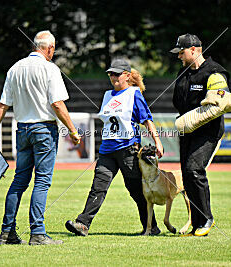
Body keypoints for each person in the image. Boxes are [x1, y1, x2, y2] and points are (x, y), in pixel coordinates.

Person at [0, 30, 80, 245]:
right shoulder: (50, 69)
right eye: (53, 49)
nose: (53, 52)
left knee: (19, 181)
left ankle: (7, 233)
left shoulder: (14, 68)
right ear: (48, 49)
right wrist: (73, 131)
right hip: (44, 131)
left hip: (22, 130)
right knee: (42, 181)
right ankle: (38, 233)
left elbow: (3, 104)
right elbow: (57, 104)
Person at [65, 59, 163, 236]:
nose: (113, 77)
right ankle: (83, 224)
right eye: (111, 73)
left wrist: (158, 142)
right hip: (107, 150)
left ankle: (151, 227)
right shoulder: (107, 95)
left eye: (117, 73)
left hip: (128, 150)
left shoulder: (134, 93)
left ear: (127, 75)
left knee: (135, 191)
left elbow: (147, 119)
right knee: (98, 187)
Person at [170, 33, 230, 236]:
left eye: (181, 52)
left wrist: (194, 118)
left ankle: (206, 219)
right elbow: (178, 101)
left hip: (208, 132)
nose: (179, 56)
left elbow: (222, 104)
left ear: (194, 50)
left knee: (194, 169)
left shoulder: (214, 73)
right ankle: (196, 223)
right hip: (188, 131)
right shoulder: (183, 74)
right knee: (186, 176)